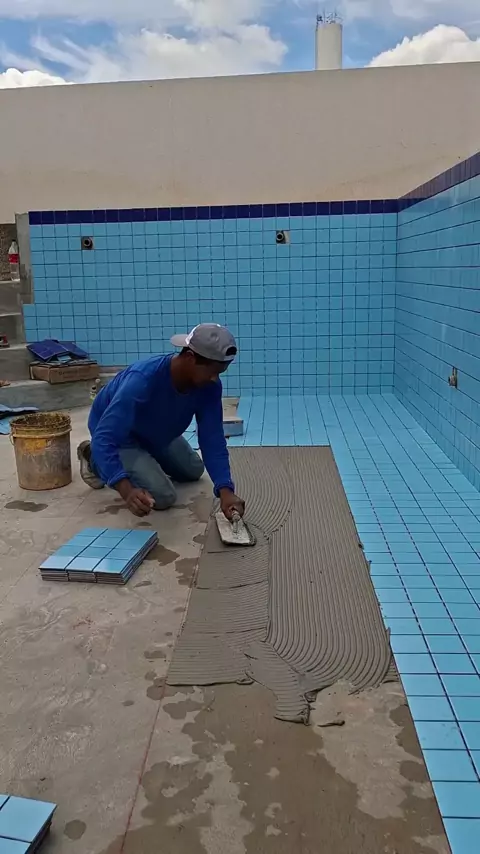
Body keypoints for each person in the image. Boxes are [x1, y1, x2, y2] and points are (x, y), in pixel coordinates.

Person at [77, 323, 245, 520]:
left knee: (194, 470)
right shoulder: (142, 380)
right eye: (212, 372)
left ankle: (144, 460)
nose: (215, 379)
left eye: (220, 373)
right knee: (163, 496)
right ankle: (92, 457)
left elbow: (212, 437)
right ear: (190, 358)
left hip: (156, 432)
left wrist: (225, 490)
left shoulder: (209, 386)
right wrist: (125, 488)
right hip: (122, 437)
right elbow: (105, 437)